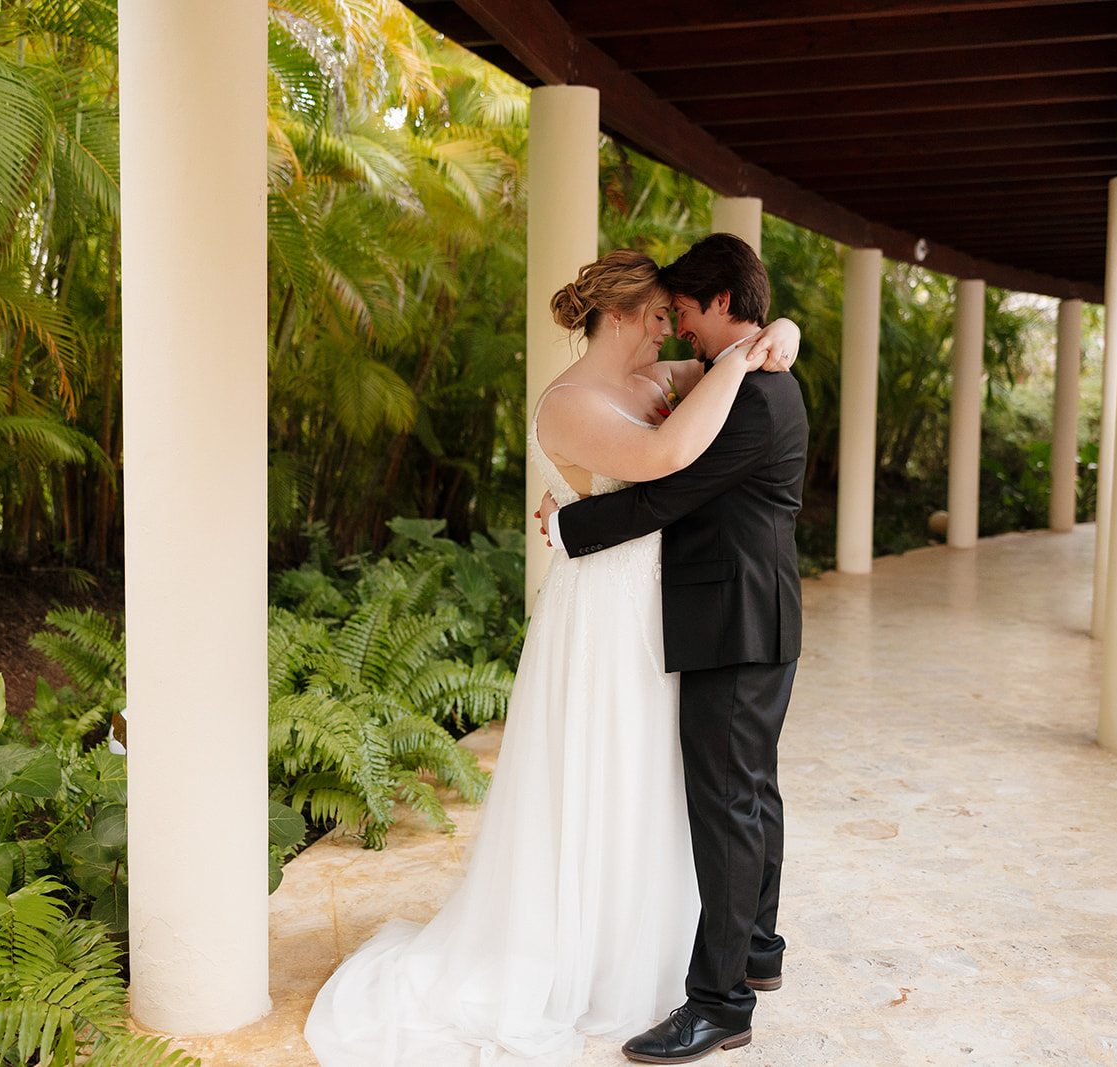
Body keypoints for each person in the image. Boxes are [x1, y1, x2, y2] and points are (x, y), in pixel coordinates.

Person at [303, 248, 799, 1067]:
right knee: (599, 776)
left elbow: (712, 398)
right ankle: (593, 952)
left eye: (680, 315)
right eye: (663, 317)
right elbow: (664, 463)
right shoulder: (570, 402)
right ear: (627, 316)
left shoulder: (660, 381)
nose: (675, 330)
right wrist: (748, 349)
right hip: (602, 617)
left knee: (663, 785)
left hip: (664, 611)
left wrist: (773, 331)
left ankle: (675, 954)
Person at [542, 233, 807, 1064]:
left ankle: (719, 1002)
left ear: (724, 302)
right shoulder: (768, 378)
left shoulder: (753, 395)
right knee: (751, 790)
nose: (680, 328)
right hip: (758, 613)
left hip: (734, 619)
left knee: (728, 804)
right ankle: (758, 947)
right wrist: (779, 332)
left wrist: (569, 524)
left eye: (685, 310)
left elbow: (669, 485)